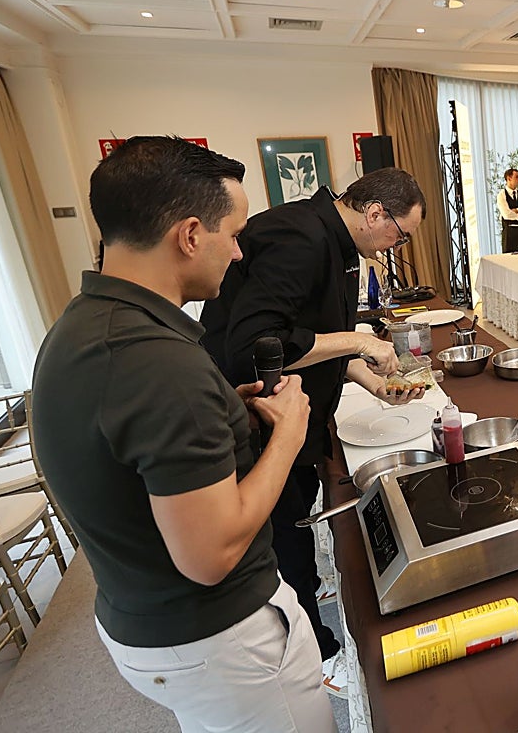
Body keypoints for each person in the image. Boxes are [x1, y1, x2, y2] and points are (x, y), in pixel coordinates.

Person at [32, 136, 335, 732]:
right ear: (191, 235)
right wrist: (288, 437)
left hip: (141, 617)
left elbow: (131, 451)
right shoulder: (157, 362)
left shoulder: (84, 324)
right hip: (220, 638)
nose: (241, 253)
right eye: (235, 233)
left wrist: (229, 414)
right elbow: (211, 554)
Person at [201, 166, 425, 675]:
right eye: (400, 234)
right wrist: (361, 341)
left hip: (295, 414)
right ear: (374, 213)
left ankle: (306, 606)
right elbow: (259, 343)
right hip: (258, 416)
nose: (396, 246)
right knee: (287, 535)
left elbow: (310, 335)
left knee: (299, 519)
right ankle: (313, 655)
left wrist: (366, 378)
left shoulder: (336, 241)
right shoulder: (301, 238)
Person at [497, 167, 518, 252]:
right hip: (510, 235)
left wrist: (516, 210)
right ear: (509, 178)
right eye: (516, 177)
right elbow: (506, 214)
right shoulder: (501, 195)